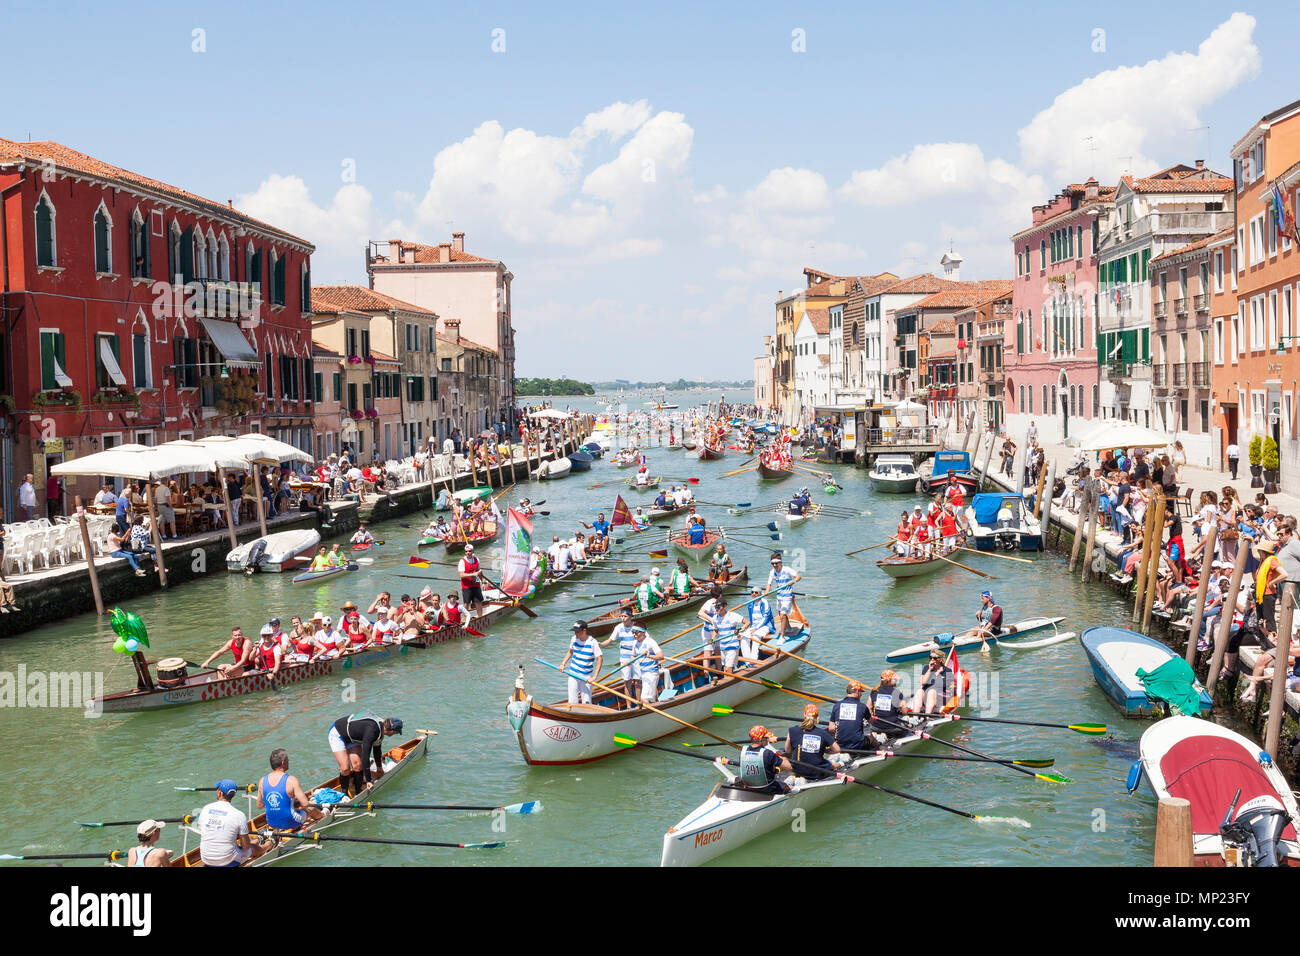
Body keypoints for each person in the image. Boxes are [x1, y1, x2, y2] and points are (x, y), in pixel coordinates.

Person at [329, 712, 403, 798]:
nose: (394, 734)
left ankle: (358, 792)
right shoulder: (372, 731)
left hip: (352, 738)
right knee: (345, 768)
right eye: (396, 733)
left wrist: (379, 768)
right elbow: (365, 755)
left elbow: (377, 749)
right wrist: (368, 780)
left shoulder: (381, 729)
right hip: (338, 733)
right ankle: (344, 794)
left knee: (358, 765)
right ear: (392, 730)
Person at [197, 779, 267, 867]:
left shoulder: (205, 809)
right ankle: (269, 843)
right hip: (227, 862)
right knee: (250, 849)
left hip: (206, 859)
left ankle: (259, 840)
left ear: (219, 793)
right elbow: (246, 847)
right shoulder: (239, 815)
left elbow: (204, 831)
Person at [258, 748, 315, 832]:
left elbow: (260, 806)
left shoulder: (262, 781)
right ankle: (324, 815)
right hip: (292, 822)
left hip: (271, 823)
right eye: (288, 759)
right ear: (283, 762)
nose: (289, 761)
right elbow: (305, 804)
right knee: (311, 808)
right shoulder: (291, 780)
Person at [783, 703, 839, 779]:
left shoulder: (792, 730)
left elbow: (787, 751)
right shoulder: (823, 733)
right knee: (836, 764)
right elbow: (837, 750)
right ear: (817, 718)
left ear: (804, 715)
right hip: (817, 772)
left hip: (798, 771)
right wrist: (825, 750)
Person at [599, 607, 640, 707]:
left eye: (625, 616)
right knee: (627, 682)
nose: (622, 618)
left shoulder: (637, 626)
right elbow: (609, 640)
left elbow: (646, 639)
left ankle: (640, 704)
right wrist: (600, 644)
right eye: (621, 616)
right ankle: (629, 706)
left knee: (638, 682)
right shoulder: (618, 628)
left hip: (636, 658)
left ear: (630, 616)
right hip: (624, 659)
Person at [735, 726, 793, 794]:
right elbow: (789, 767)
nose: (768, 739)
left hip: (749, 787)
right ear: (761, 739)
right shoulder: (767, 753)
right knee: (790, 783)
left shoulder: (743, 752)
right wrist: (783, 759)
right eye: (766, 738)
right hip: (768, 789)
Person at [561, 621, 602, 704]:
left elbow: (600, 659)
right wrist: (563, 664)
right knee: (572, 701)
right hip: (573, 674)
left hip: (586, 677)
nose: (576, 634)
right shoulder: (574, 639)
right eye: (575, 631)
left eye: (577, 631)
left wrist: (594, 677)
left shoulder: (592, 642)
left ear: (584, 631)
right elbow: (570, 651)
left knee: (586, 701)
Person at [827, 680, 871, 752]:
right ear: (857, 691)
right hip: (858, 745)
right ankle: (878, 748)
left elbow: (831, 728)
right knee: (870, 737)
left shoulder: (837, 705)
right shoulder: (862, 707)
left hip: (840, 745)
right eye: (861, 692)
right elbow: (870, 721)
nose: (861, 694)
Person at [766, 553, 801, 640]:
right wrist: (767, 591)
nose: (774, 565)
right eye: (772, 563)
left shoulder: (787, 569)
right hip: (779, 596)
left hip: (787, 596)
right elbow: (769, 584)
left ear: (781, 562)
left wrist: (792, 581)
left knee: (782, 616)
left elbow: (798, 577)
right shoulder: (772, 572)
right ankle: (789, 628)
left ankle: (782, 636)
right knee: (781, 614)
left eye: (776, 563)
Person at [710, 596, 748, 674]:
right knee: (725, 668)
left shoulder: (732, 616)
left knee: (728, 669)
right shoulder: (715, 618)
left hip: (732, 646)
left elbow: (747, 622)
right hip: (723, 647)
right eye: (715, 607)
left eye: (718, 606)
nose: (716, 609)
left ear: (724, 606)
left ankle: (728, 682)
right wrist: (712, 639)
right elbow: (715, 630)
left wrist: (740, 630)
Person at [868, 670, 909, 739]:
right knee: (908, 725)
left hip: (875, 727)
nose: (896, 681)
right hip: (892, 728)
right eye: (895, 679)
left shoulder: (874, 691)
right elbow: (905, 712)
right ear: (890, 681)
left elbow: (868, 708)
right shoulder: (896, 692)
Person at [631, 625, 665, 702]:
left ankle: (649, 711)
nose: (634, 635)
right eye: (633, 632)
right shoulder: (634, 643)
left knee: (644, 698)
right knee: (650, 699)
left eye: (636, 632)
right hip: (642, 673)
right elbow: (633, 655)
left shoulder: (650, 642)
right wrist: (629, 662)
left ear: (643, 632)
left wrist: (650, 656)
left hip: (651, 673)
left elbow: (661, 656)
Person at [458, 544, 485, 611]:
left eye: (469, 551)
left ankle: (480, 617)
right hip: (466, 586)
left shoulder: (477, 559)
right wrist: (473, 574)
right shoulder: (462, 561)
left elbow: (479, 572)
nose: (468, 553)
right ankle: (465, 619)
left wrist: (483, 582)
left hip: (476, 584)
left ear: (473, 551)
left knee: (478, 602)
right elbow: (461, 575)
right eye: (466, 551)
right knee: (466, 604)